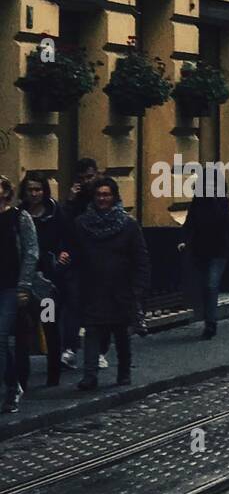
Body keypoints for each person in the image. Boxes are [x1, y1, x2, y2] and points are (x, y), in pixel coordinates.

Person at [73, 176, 151, 390]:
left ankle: (124, 372)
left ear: (114, 197)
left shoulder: (128, 224)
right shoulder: (82, 224)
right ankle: (90, 375)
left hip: (121, 288)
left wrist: (138, 288)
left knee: (120, 333)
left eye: (106, 194)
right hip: (93, 287)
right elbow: (76, 254)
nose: (102, 198)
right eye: (99, 194)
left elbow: (140, 258)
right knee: (92, 332)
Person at [17, 172, 71, 388]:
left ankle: (53, 374)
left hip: (49, 281)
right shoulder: (19, 214)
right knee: (23, 328)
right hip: (25, 280)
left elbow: (68, 239)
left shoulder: (55, 213)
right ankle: (22, 379)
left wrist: (63, 254)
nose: (34, 194)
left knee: (49, 324)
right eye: (30, 189)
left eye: (38, 189)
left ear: (44, 190)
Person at [0, 175, 38, 414]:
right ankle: (12, 384)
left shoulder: (19, 218)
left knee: (1, 338)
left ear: (5, 191)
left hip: (11, 285)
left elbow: (32, 251)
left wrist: (24, 285)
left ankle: (12, 389)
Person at [59, 156, 100, 370]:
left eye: (90, 177)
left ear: (97, 175)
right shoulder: (74, 202)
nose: (86, 182)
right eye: (82, 178)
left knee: (97, 307)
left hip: (99, 260)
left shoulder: (103, 195)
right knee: (73, 304)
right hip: (76, 258)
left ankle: (99, 351)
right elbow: (64, 225)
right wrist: (70, 200)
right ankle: (70, 348)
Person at [179, 187, 229, 340]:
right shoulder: (198, 202)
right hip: (200, 250)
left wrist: (213, 200)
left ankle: (211, 323)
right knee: (203, 286)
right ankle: (208, 318)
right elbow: (189, 222)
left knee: (211, 285)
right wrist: (183, 239)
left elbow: (220, 220)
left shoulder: (223, 201)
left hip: (219, 251)